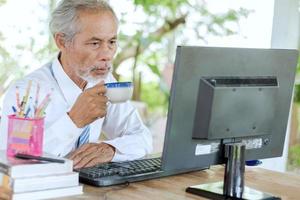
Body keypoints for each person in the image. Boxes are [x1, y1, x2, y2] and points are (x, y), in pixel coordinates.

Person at [0, 0, 152, 169]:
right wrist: (73, 121)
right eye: (95, 43)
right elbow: (13, 163)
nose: (107, 55)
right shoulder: (25, 93)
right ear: (62, 41)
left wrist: (110, 149)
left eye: (112, 42)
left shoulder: (106, 82)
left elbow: (142, 137)